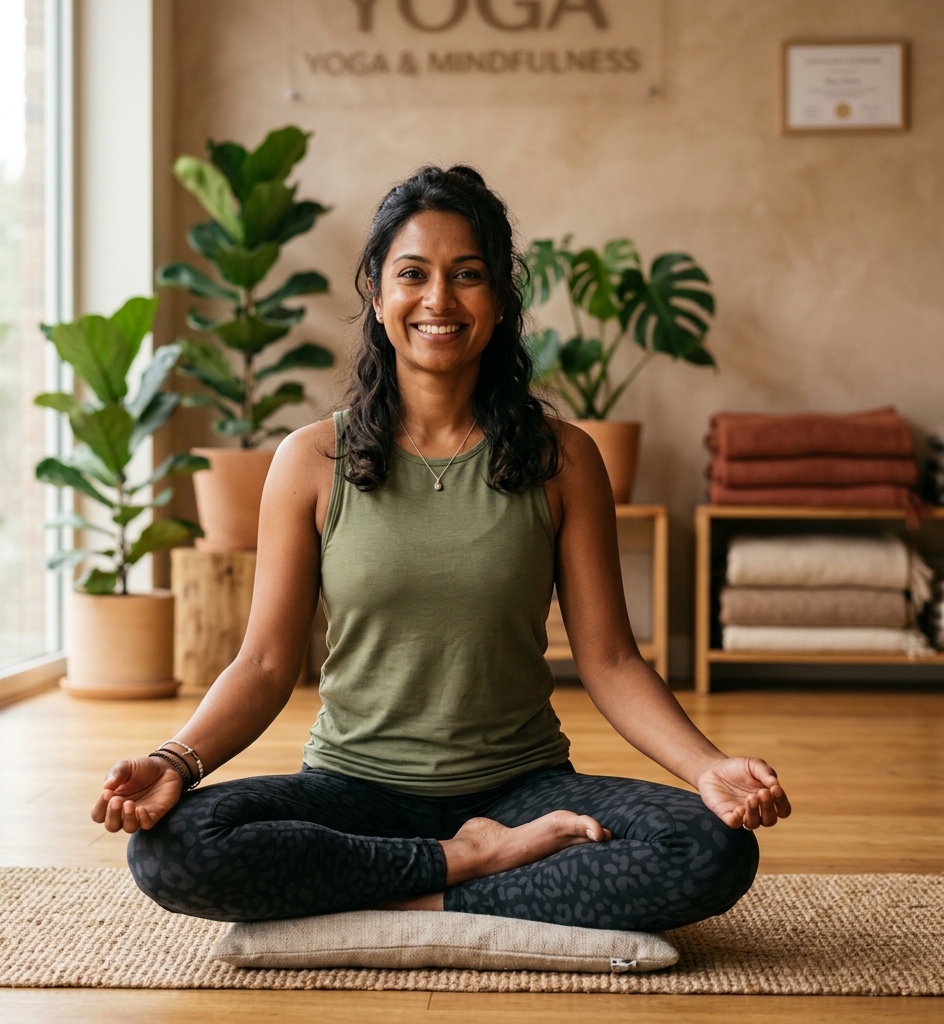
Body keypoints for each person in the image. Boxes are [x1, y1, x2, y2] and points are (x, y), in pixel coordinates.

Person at [93, 165, 790, 929]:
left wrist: (710, 768)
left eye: (468, 276)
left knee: (707, 848)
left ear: (500, 298)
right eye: (413, 275)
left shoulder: (565, 459)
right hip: (353, 791)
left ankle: (394, 885)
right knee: (174, 846)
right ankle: (472, 865)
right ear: (374, 290)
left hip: (519, 788)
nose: (439, 301)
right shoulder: (308, 461)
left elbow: (612, 661)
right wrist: (172, 762)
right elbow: (263, 664)